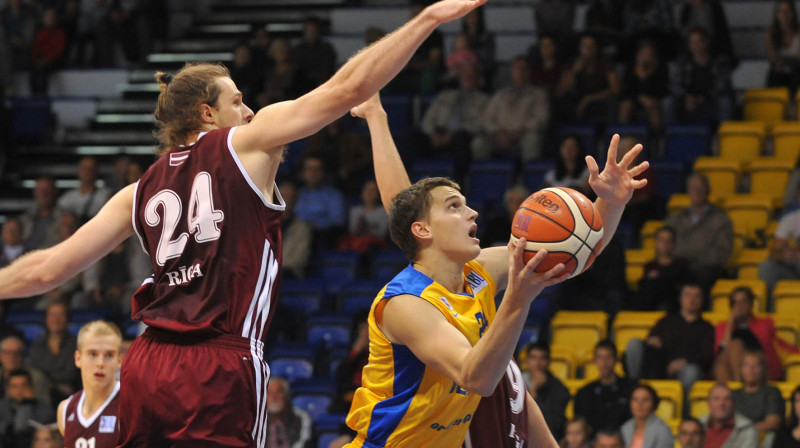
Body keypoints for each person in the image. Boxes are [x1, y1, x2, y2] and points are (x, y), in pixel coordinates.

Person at [0, 1, 498, 444]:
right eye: (236, 101)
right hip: (219, 363)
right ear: (206, 113)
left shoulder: (138, 189)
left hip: (148, 361)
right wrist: (429, 17)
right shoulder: (244, 144)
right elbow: (347, 86)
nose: (250, 109)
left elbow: (45, 272)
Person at [345, 89, 646, 447]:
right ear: (423, 230)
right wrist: (517, 301)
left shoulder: (480, 270)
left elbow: (571, 255)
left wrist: (609, 203)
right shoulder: (407, 305)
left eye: (467, 204)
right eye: (454, 207)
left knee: (509, 375)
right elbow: (476, 378)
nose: (471, 213)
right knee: (501, 371)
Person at [625, 282, 714, 409]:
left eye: (696, 296)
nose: (691, 300)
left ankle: (682, 410)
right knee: (634, 343)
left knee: (691, 371)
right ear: (681, 298)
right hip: (659, 367)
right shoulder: (666, 321)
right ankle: (634, 390)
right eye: (688, 295)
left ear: (702, 300)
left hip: (686, 370)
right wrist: (652, 341)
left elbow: (707, 355)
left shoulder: (707, 328)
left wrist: (685, 361)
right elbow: (650, 342)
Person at [472, 56, 549, 163]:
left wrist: (520, 131)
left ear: (529, 72)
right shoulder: (500, 95)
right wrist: (498, 132)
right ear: (512, 72)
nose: (520, 72)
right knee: (479, 143)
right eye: (516, 69)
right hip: (500, 137)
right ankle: (486, 177)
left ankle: (527, 176)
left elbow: (541, 118)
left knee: (533, 140)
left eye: (523, 69)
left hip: (524, 136)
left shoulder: (538, 94)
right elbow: (487, 118)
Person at [56, 321, 121, 448]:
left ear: (119, 361)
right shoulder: (65, 410)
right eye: (93, 354)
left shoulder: (132, 405)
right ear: (78, 358)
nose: (100, 363)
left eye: (109, 355)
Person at [664, 173, 733, 291]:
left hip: (704, 269)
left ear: (708, 191)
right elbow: (667, 243)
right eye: (693, 188)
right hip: (679, 267)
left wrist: (695, 262)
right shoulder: (677, 219)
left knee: (701, 276)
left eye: (700, 188)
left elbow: (721, 252)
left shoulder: (721, 219)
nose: (696, 191)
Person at [713, 286, 797, 381]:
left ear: (751, 304)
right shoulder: (723, 327)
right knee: (720, 364)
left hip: (760, 366)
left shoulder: (765, 323)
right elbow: (722, 350)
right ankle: (736, 389)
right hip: (731, 370)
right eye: (735, 303)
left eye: (743, 302)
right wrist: (731, 321)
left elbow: (767, 348)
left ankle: (740, 388)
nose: (739, 306)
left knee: (736, 345)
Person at [670, 26, 735, 124]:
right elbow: (675, 86)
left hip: (711, 101)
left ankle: (723, 135)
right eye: (692, 42)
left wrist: (702, 99)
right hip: (688, 102)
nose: (696, 45)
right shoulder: (682, 63)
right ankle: (670, 135)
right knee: (668, 102)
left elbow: (723, 87)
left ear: (707, 42)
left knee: (725, 102)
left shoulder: (719, 62)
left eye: (699, 41)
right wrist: (686, 97)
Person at [574, 340, 636, 434]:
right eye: (600, 357)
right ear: (594, 360)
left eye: (608, 357)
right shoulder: (584, 392)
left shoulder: (630, 388)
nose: (604, 362)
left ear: (616, 359)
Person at [27, 300, 79, 404]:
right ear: (46, 318)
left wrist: (46, 379)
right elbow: (33, 370)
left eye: (61, 314)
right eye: (52, 314)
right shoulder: (38, 343)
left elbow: (69, 374)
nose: (56, 319)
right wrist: (54, 384)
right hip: (43, 393)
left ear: (68, 319)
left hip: (71, 394)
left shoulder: (76, 344)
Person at [635, 226, 694, 311]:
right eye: (661, 240)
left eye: (668, 240)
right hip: (651, 304)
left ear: (674, 243)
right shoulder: (649, 266)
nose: (664, 244)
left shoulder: (682, 265)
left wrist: (660, 277)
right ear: (656, 243)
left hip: (673, 306)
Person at [520, 340, 570, 440]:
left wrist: (534, 392)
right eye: (533, 358)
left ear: (548, 361)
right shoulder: (516, 381)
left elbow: (553, 424)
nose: (537, 363)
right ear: (527, 361)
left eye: (542, 358)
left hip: (544, 439)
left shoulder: (559, 389)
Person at [731, 351, 784, 443]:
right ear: (740, 369)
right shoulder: (733, 394)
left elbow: (772, 423)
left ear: (763, 369)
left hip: (762, 438)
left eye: (756, 365)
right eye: (746, 365)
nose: (751, 369)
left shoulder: (772, 392)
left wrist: (745, 432)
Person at [0, 368, 55, 448]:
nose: (20, 390)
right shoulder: (2, 406)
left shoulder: (42, 407)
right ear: (9, 390)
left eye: (24, 385)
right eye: (15, 386)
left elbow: (21, 427)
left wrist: (27, 403)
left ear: (31, 387)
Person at [759, 200, 800, 294]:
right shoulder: (791, 219)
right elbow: (774, 252)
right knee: (767, 267)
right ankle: (772, 307)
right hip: (795, 269)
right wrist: (784, 254)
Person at [699, 383, 758, 448]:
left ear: (733, 403)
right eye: (716, 399)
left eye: (727, 399)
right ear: (709, 403)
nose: (721, 403)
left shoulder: (747, 429)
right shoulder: (698, 424)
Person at [0, 336, 52, 409]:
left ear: (23, 355)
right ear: (0, 355)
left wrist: (29, 401)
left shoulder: (37, 378)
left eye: (17, 353)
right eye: (7, 353)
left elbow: (46, 409)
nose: (12, 357)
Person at [56, 157, 111, 224]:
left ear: (97, 172)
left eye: (90, 169)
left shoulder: (106, 195)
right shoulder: (67, 198)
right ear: (78, 171)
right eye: (84, 168)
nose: (87, 172)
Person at [620, 384, 675, 448]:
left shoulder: (663, 430)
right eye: (635, 399)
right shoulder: (625, 427)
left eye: (645, 400)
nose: (639, 404)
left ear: (654, 404)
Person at [265, 377, 314, 448]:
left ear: (287, 395)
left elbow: (305, 442)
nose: (274, 397)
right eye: (269, 393)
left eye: (279, 392)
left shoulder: (301, 417)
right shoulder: (257, 419)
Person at [19, 176, 64, 252]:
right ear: (35, 193)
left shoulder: (65, 219)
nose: (43, 194)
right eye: (40, 190)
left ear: (55, 192)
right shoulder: (26, 218)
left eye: (47, 190)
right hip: (26, 258)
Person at [766, 0, 800, 94]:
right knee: (775, 73)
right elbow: (773, 58)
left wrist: (784, 62)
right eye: (780, 11)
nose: (783, 15)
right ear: (776, 14)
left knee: (796, 74)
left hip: (796, 73)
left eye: (786, 11)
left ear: (792, 13)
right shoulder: (771, 32)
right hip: (779, 74)